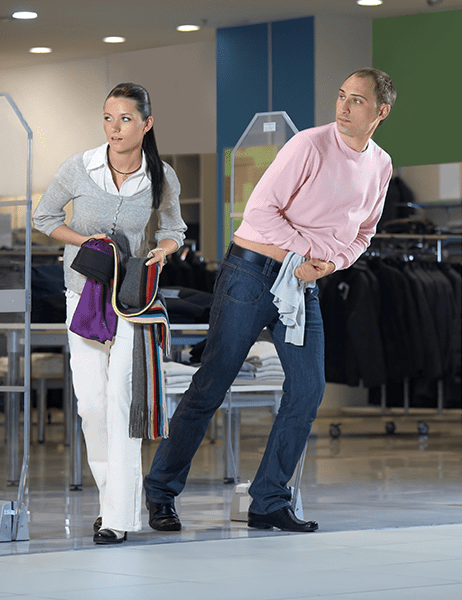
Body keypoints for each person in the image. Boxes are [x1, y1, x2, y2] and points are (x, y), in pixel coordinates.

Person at [143, 68, 396, 533]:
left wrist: (331, 264)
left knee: (308, 388)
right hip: (253, 270)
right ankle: (160, 491)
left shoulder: (380, 164)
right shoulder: (308, 145)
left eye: (356, 100)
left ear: (380, 111)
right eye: (341, 96)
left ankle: (269, 500)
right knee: (213, 383)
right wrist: (303, 255)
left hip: (304, 279)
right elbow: (259, 211)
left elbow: (364, 232)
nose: (342, 106)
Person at [33, 83, 187, 544]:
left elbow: (174, 226)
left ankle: (117, 520)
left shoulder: (162, 176)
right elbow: (44, 218)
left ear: (146, 124)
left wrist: (163, 248)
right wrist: (87, 243)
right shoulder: (80, 168)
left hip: (131, 301)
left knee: (121, 399)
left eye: (124, 119)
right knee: (92, 405)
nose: (114, 128)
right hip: (82, 297)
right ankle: (112, 503)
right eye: (107, 118)